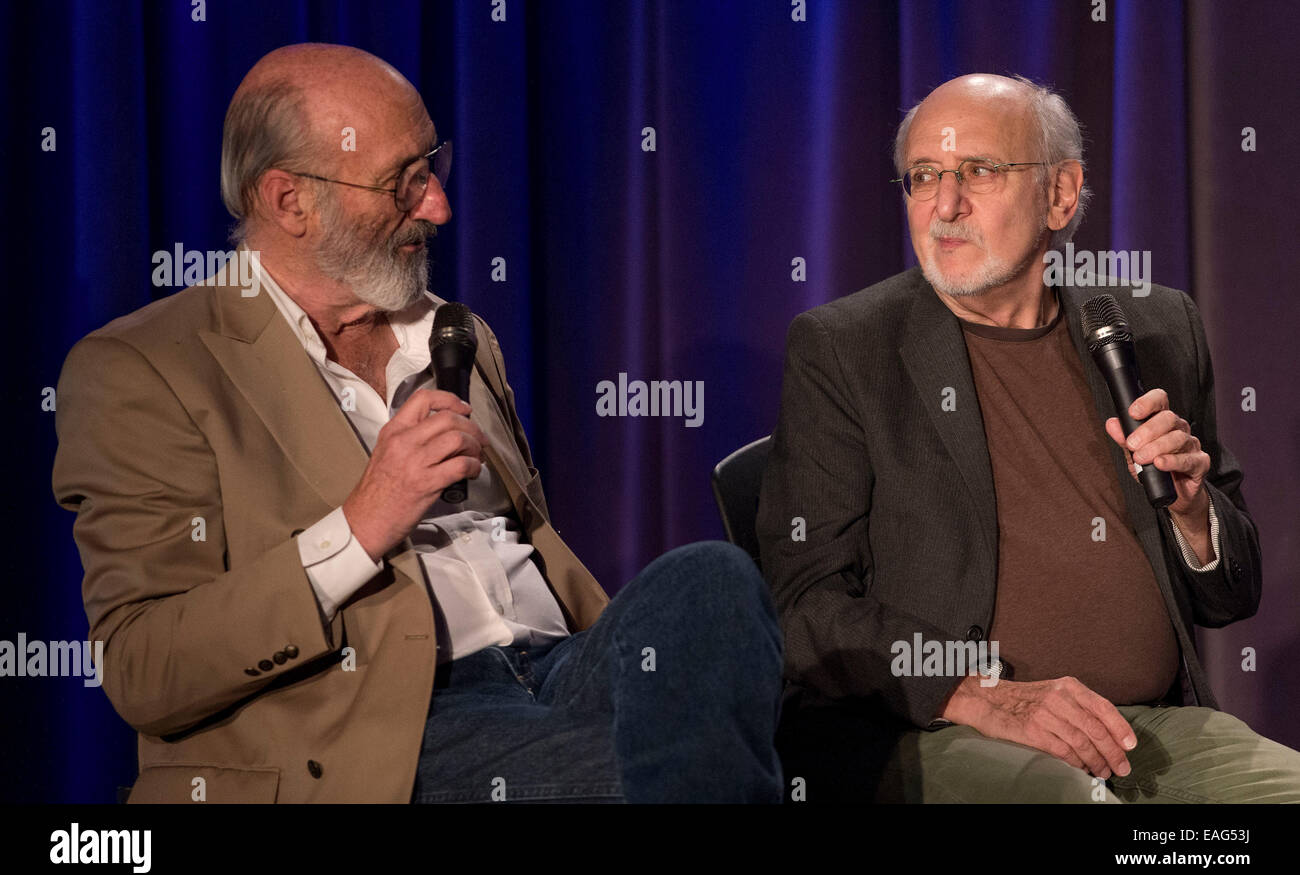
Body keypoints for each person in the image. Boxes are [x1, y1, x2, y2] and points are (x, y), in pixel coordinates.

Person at [52, 43, 782, 804]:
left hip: (563, 670)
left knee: (712, 579)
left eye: (433, 167)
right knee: (667, 777)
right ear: (288, 200)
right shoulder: (148, 366)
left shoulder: (452, 330)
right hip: (394, 717)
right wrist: (361, 525)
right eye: (402, 184)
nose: (438, 206)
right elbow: (144, 665)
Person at [757, 73, 1300, 803]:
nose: (946, 205)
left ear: (1061, 194)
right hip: (940, 730)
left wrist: (1193, 516)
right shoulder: (847, 350)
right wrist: (978, 692)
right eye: (924, 176)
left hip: (1151, 732)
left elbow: (1232, 595)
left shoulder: (1153, 327)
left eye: (978, 171)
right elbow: (804, 602)